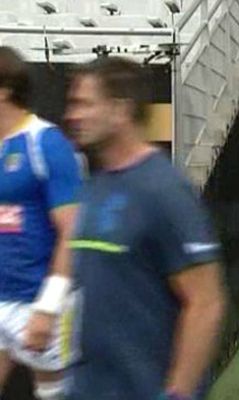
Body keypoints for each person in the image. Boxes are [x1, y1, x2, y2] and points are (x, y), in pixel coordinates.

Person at [64, 57, 226, 400]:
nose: (72, 116)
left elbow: (205, 303)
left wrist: (177, 394)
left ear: (120, 110)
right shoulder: (95, 185)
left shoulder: (164, 190)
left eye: (85, 104)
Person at [0, 46, 81, 399]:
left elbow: (72, 231)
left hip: (38, 302)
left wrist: (48, 307)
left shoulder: (45, 143)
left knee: (52, 395)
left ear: (4, 90)